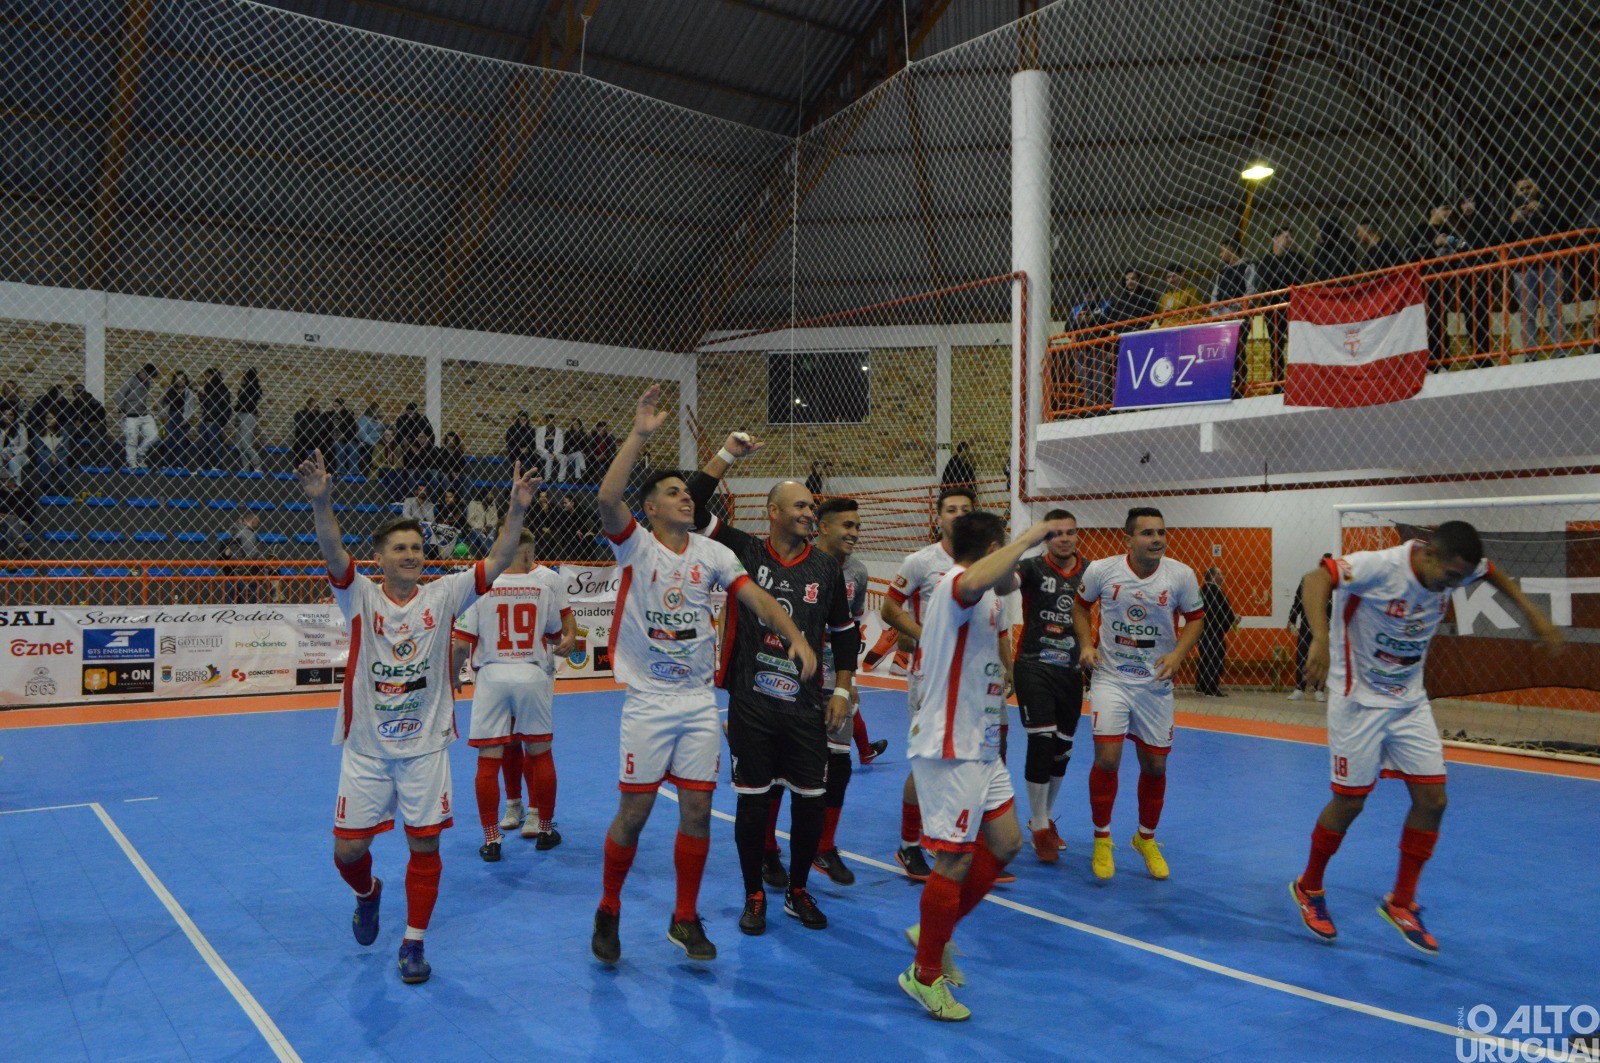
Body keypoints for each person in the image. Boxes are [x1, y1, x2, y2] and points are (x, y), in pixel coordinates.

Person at [589, 384, 814, 967]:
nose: (685, 498)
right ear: (652, 509)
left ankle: (684, 917)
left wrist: (793, 634)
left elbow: (756, 597)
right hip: (647, 700)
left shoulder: (714, 555)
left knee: (695, 812)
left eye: (687, 493)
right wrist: (639, 434)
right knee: (634, 815)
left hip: (694, 702)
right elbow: (608, 496)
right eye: (672, 493)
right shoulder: (634, 546)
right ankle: (609, 907)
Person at [295, 447, 535, 985]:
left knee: (424, 843)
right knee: (348, 850)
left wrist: (517, 510)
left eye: (417, 547)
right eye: (400, 548)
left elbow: (496, 562)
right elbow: (333, 552)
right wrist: (322, 502)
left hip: (424, 748)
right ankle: (368, 894)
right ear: (379, 558)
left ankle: (414, 943)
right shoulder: (358, 596)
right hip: (366, 749)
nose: (411, 554)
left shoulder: (445, 593)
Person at [1290, 522, 1561, 954]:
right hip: (1357, 698)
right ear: (1429, 553)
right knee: (1350, 803)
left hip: (1409, 700)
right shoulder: (1381, 567)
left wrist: (1532, 615)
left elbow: (1490, 572)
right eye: (1451, 578)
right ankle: (1309, 887)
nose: (1453, 587)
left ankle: (1401, 901)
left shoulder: (1457, 567)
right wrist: (1320, 638)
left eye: (1460, 579)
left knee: (1433, 800)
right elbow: (1315, 578)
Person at [898, 511, 1073, 1021]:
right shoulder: (958, 581)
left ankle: (932, 935)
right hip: (948, 748)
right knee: (953, 861)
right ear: (997, 547)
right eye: (1010, 551)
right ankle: (923, 974)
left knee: (1005, 844)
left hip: (979, 742)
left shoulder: (993, 596)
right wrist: (1029, 535)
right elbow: (975, 576)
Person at [685, 432, 856, 934]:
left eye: (812, 505)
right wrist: (727, 456)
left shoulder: (827, 568)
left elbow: (844, 635)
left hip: (806, 706)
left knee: (809, 800)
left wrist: (842, 689)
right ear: (774, 511)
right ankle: (754, 893)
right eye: (800, 505)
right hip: (751, 702)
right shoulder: (740, 551)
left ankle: (798, 889)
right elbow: (693, 506)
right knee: (753, 800)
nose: (809, 512)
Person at [1072, 507, 1206, 880]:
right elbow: (1080, 608)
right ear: (1128, 539)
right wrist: (1086, 644)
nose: (1157, 539)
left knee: (1156, 765)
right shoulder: (1102, 570)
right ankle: (1102, 838)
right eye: (1147, 533)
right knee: (1109, 760)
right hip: (1111, 678)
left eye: (1161, 532)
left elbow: (1196, 618)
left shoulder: (1181, 575)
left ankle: (1145, 838)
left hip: (1155, 684)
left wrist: (1179, 654)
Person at [452, 529, 576, 860]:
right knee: (541, 753)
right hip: (532, 675)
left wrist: (452, 676)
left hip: (492, 676)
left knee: (488, 759)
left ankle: (492, 840)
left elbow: (461, 644)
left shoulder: (478, 587)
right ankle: (546, 830)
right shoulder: (543, 587)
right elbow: (554, 635)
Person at [879, 485, 977, 881]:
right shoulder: (921, 561)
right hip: (931, 676)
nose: (957, 515)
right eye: (950, 509)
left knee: (970, 759)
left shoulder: (985, 561)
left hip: (973, 679)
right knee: (928, 761)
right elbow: (888, 608)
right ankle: (908, 846)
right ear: (938, 518)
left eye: (965, 509)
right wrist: (924, 636)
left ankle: (954, 839)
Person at [805, 496, 887, 885]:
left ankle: (824, 846)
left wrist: (847, 680)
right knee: (782, 773)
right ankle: (769, 850)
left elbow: (850, 630)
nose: (855, 533)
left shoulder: (858, 572)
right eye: (847, 526)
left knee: (838, 766)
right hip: (793, 684)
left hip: (833, 685)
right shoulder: (799, 562)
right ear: (822, 527)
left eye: (858, 526)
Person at [1012, 508, 1087, 862]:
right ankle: (1039, 824)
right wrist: (1017, 545)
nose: (1065, 538)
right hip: (1033, 665)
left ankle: (1042, 816)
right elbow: (1001, 585)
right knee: (1041, 740)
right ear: (1046, 537)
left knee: (1062, 750)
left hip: (1072, 671)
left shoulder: (1092, 572)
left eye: (1070, 532)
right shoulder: (1030, 568)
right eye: (1057, 533)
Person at [1505, 176, 1566, 352]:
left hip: (1549, 264)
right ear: (1516, 193)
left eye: (1528, 188)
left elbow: (1565, 224)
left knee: (1554, 310)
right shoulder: (1512, 214)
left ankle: (1560, 350)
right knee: (1527, 313)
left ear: (1536, 189)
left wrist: (1543, 210)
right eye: (1521, 189)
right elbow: (1498, 239)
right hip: (1523, 268)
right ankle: (1531, 352)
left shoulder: (1548, 207)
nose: (1525, 192)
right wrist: (1511, 222)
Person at [1255, 227, 1307, 385]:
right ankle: (1277, 381)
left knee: (1299, 344)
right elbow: (1266, 284)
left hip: (1294, 308)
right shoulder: (1265, 261)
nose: (1290, 241)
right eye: (1286, 237)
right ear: (1276, 239)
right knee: (1275, 345)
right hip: (1274, 310)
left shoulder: (1296, 258)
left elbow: (1300, 279)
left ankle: (1300, 380)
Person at [1286, 554, 1331, 702]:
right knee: (1302, 656)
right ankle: (1299, 688)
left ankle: (1319, 689)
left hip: (1327, 625)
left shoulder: (1336, 584)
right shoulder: (1308, 580)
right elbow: (1297, 600)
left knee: (1323, 657)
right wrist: (1292, 619)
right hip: (1307, 623)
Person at [1194, 566, 1237, 697]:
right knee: (1215, 659)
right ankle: (1211, 688)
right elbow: (1223, 613)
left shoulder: (1201, 591)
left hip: (1202, 632)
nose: (1223, 577)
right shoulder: (1216, 591)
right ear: (1213, 577)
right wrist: (1234, 618)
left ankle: (1201, 686)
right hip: (1214, 633)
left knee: (1205, 659)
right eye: (1220, 574)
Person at [115, 362, 160, 470]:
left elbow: (141, 399)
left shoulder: (147, 383)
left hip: (143, 414)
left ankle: (140, 453)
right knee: (132, 439)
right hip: (130, 415)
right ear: (142, 372)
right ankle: (132, 462)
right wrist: (120, 410)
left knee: (154, 436)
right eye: (147, 376)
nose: (148, 379)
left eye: (150, 378)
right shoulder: (131, 380)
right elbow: (120, 394)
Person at [1210, 241, 1257, 314]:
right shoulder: (1221, 273)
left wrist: (1233, 312)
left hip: (1242, 317)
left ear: (1230, 249)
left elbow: (1251, 292)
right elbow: (1214, 297)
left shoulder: (1247, 266)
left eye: (1222, 251)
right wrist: (1216, 315)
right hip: (1222, 320)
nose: (1220, 255)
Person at [159, 370, 194, 466]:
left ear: (185, 381)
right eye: (178, 378)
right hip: (170, 416)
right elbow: (161, 403)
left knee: (181, 441)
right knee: (168, 440)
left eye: (182, 379)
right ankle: (165, 464)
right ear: (174, 380)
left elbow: (190, 408)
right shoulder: (169, 390)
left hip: (182, 417)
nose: (180, 381)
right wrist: (162, 416)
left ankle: (180, 465)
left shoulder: (188, 392)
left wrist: (185, 419)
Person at [198, 369, 231, 467]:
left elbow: (227, 407)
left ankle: (218, 467)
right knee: (202, 444)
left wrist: (222, 422)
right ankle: (204, 466)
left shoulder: (222, 389)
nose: (207, 378)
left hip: (216, 420)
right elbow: (205, 406)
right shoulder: (207, 388)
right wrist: (201, 396)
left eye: (209, 376)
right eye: (206, 376)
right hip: (205, 418)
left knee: (215, 444)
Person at [234, 368, 262, 473]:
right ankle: (245, 468)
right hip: (241, 415)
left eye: (244, 375)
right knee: (241, 445)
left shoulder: (253, 388)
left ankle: (258, 467)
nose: (242, 378)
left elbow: (247, 402)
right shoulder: (243, 387)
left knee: (246, 444)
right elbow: (240, 403)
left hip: (249, 416)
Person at [331, 398, 361, 479]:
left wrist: (344, 435)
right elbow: (328, 430)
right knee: (338, 446)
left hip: (348, 439)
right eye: (334, 406)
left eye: (337, 406)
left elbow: (353, 431)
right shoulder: (330, 416)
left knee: (353, 447)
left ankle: (354, 472)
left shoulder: (349, 416)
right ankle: (340, 472)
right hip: (336, 440)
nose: (335, 408)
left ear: (342, 406)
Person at [465, 491, 499, 558]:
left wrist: (489, 525)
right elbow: (470, 520)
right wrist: (480, 527)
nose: (492, 496)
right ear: (484, 495)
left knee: (493, 532)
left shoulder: (493, 504)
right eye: (490, 494)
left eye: (492, 494)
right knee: (480, 534)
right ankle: (491, 552)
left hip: (489, 528)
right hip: (476, 528)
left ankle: (490, 552)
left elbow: (495, 519)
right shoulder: (473, 504)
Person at [0, 406, 28, 485]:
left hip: (19, 455)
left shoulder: (21, 427)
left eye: (11, 414)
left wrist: (13, 454)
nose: (7, 417)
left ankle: (16, 487)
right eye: (5, 414)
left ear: (15, 416)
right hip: (3, 454)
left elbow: (24, 445)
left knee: (14, 461)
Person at [357, 403, 386, 475]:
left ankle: (384, 471)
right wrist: (374, 443)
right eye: (376, 411)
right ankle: (368, 472)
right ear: (371, 411)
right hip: (368, 443)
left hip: (379, 442)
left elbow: (383, 430)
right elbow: (362, 434)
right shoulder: (364, 419)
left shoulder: (378, 419)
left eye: (378, 411)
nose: (377, 413)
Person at [536, 413, 564, 483]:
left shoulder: (559, 431)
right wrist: (548, 453)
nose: (551, 423)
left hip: (555, 453)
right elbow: (538, 446)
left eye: (553, 421)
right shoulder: (539, 430)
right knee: (549, 457)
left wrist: (554, 453)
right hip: (543, 452)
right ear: (546, 421)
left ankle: (561, 479)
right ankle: (547, 479)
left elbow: (561, 446)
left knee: (564, 458)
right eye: (549, 421)